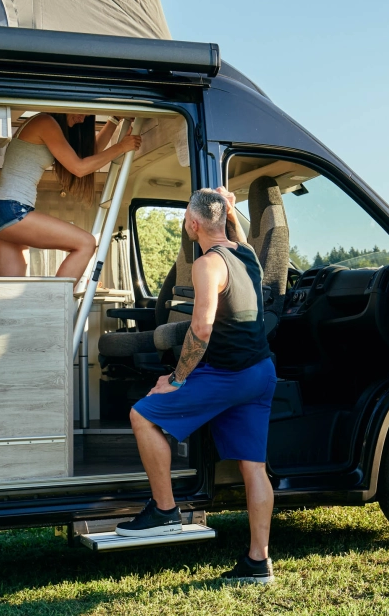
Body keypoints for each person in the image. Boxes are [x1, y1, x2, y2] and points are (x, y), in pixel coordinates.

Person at [117, 187, 279, 585]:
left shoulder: (207, 265)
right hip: (261, 372)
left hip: (228, 376)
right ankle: (259, 561)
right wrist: (228, 207)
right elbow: (233, 230)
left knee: (142, 415)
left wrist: (175, 379)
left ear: (192, 224)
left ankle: (165, 509)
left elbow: (201, 327)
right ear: (224, 218)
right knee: (253, 468)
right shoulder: (246, 255)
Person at [0, 113, 140, 280]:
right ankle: (55, 302)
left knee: (12, 299)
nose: (82, 120)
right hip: (12, 209)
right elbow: (80, 168)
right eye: (82, 113)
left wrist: (114, 120)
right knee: (86, 243)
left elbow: (88, 155)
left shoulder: (47, 125)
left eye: (87, 117)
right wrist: (122, 147)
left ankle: (54, 302)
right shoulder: (45, 122)